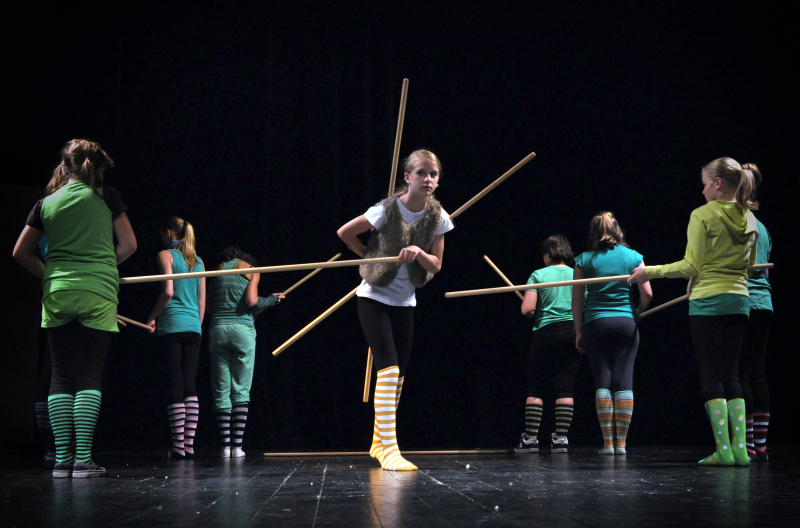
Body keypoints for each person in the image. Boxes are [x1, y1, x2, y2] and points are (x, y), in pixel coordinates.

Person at [13, 139, 137, 478]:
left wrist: (51, 274)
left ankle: (61, 460)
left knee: (61, 375)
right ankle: (83, 460)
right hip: (97, 292)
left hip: (58, 293)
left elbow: (20, 253)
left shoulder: (45, 203)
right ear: (97, 169)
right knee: (88, 375)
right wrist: (102, 265)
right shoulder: (107, 197)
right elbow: (129, 245)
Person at [629, 157, 758, 467]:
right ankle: (741, 451)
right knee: (732, 374)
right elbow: (751, 268)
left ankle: (724, 451)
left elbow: (691, 265)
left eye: (704, 184)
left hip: (708, 303)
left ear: (717, 183)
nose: (702, 191)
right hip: (739, 302)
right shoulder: (751, 218)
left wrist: (649, 272)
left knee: (711, 375)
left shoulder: (702, 214)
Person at [337, 149, 454, 471]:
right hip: (373, 297)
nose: (428, 179)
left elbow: (436, 265)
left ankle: (379, 442)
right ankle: (390, 449)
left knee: (398, 376)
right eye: (421, 173)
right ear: (407, 177)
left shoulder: (438, 217)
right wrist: (369, 256)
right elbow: (345, 232)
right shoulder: (386, 209)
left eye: (433, 174)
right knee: (388, 370)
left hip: (405, 302)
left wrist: (418, 252)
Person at [573, 211, 652, 456]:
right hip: (625, 323)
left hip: (595, 325)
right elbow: (648, 294)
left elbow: (577, 301)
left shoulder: (583, 260)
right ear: (617, 230)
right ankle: (622, 445)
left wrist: (579, 331)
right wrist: (636, 313)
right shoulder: (634, 257)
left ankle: (608, 445)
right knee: (624, 381)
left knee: (603, 381)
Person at [208, 246, 284, 458]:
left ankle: (225, 447)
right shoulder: (251, 269)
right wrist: (271, 300)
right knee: (241, 389)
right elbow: (251, 302)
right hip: (242, 331)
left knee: (221, 389)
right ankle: (237, 447)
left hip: (217, 330)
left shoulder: (217, 270)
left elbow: (210, 307)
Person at [515, 235, 581, 454]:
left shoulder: (539, 275)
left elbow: (526, 309)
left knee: (536, 387)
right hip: (572, 333)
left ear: (548, 254)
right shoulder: (577, 274)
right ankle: (561, 439)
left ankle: (531, 439)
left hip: (545, 333)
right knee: (565, 387)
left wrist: (537, 312)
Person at [146, 216, 205, 459]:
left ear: (168, 233)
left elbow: (168, 291)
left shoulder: (165, 255)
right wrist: (196, 325)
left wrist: (152, 318)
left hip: (172, 325)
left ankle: (178, 447)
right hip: (193, 327)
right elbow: (202, 300)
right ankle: (188, 446)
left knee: (175, 384)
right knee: (190, 384)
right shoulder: (198, 261)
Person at [740, 197, 772, 461]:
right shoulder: (763, 228)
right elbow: (766, 273)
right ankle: (760, 446)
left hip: (744, 302)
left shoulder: (740, 225)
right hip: (764, 303)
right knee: (758, 374)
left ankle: (748, 444)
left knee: (741, 374)